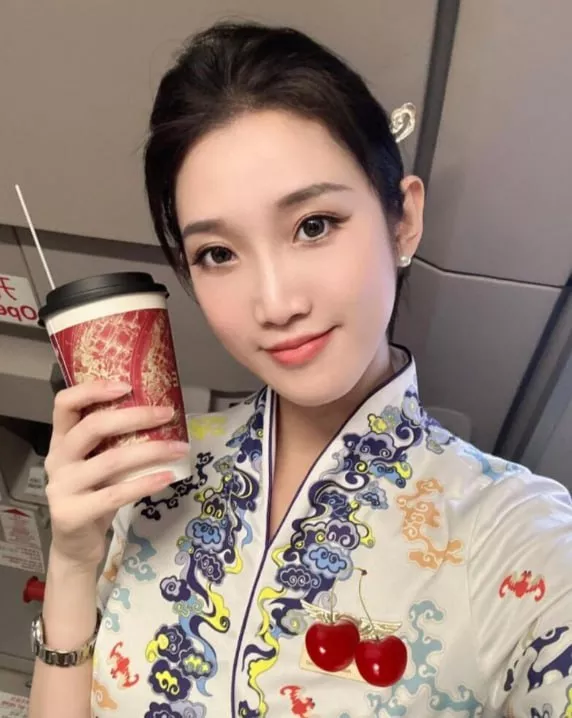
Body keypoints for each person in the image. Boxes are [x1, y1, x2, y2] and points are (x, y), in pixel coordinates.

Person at [29, 21, 572, 718]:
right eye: (218, 254)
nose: (277, 304)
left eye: (314, 225)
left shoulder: (514, 533)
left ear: (403, 219)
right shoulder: (153, 470)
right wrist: (72, 562)